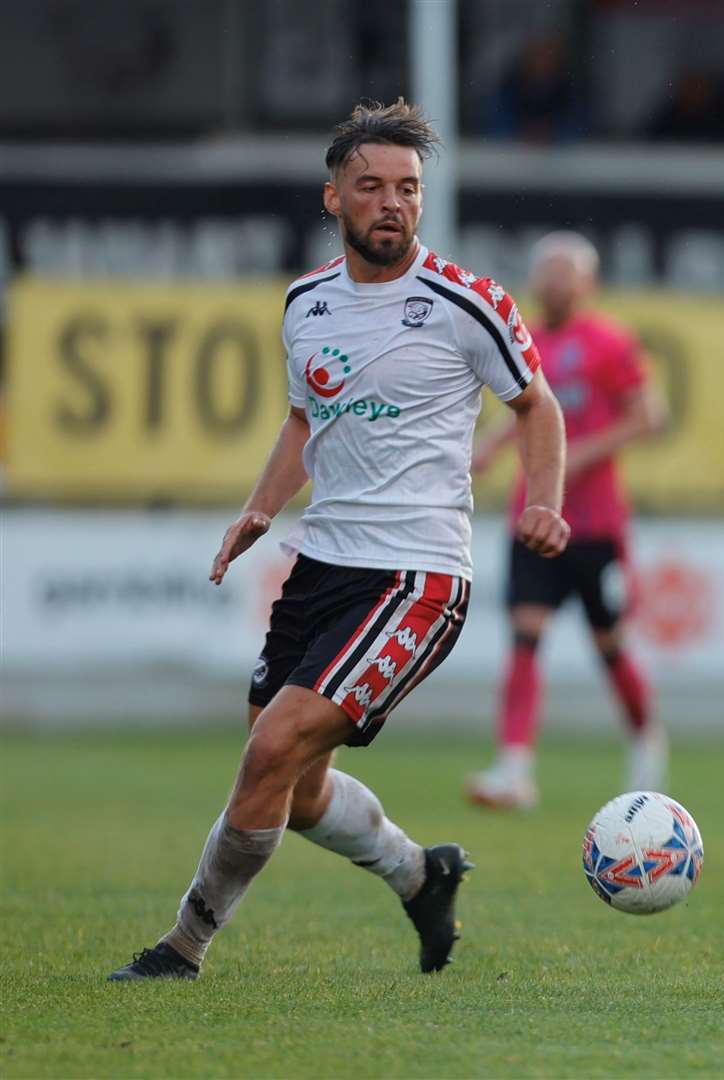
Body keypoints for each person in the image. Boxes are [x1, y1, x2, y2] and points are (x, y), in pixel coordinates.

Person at [108, 99, 570, 981]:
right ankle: (417, 874)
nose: (391, 202)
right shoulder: (304, 304)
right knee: (298, 786)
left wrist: (543, 500)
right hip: (322, 566)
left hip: (418, 577)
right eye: (371, 186)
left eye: (407, 188)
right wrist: (258, 507)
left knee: (270, 750)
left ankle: (184, 945)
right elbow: (302, 422)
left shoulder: (465, 303)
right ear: (334, 199)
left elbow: (535, 404)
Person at [464, 231, 669, 811]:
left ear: (589, 282)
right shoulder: (523, 339)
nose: (553, 280)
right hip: (534, 516)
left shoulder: (609, 341)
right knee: (525, 636)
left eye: (565, 270)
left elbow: (649, 417)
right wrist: (493, 446)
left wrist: (583, 453)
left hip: (595, 524)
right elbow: (529, 408)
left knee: (609, 643)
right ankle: (514, 768)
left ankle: (646, 739)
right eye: (546, 269)